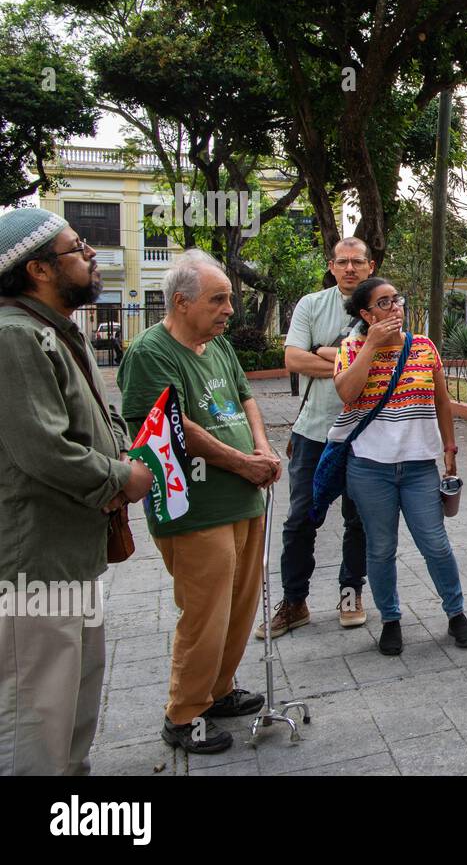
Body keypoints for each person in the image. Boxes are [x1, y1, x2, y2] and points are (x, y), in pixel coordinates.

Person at [0, 209, 154, 775]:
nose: (92, 255)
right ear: (37, 268)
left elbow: (100, 417)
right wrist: (121, 478)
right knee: (36, 714)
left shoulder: (55, 330)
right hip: (34, 563)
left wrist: (121, 453)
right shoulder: (13, 337)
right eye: (78, 247)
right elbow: (43, 449)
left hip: (72, 554)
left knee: (75, 702)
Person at [119, 249, 283, 755]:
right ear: (182, 301)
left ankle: (220, 689)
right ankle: (185, 713)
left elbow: (245, 398)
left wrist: (262, 446)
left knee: (239, 604)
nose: (230, 308)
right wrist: (242, 462)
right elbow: (172, 427)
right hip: (194, 506)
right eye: (219, 299)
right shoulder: (151, 352)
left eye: (230, 299)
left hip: (243, 497)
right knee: (204, 612)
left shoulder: (219, 347)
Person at [332, 277, 467, 656]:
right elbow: (348, 393)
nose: (395, 307)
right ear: (366, 314)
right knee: (380, 549)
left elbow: (442, 402)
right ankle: (391, 619)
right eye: (384, 303)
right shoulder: (351, 348)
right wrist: (372, 348)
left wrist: (449, 449)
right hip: (369, 469)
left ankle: (456, 612)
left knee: (436, 544)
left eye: (396, 299)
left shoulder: (423, 347)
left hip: (418, 467)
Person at [258, 237, 374, 639]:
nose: (349, 269)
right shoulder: (311, 304)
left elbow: (385, 364)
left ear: (370, 266)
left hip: (363, 432)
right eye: (342, 262)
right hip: (313, 432)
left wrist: (325, 353)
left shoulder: (381, 305)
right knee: (300, 519)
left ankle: (350, 594)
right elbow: (292, 359)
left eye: (357, 262)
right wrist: (351, 365)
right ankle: (294, 601)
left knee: (357, 519)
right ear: (331, 265)